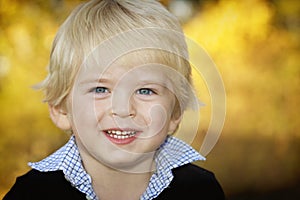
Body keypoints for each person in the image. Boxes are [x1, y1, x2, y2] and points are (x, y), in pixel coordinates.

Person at [3, 0, 225, 199]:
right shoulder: (32, 194)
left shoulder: (200, 191)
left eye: (145, 91)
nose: (122, 109)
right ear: (61, 109)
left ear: (175, 114)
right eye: (101, 89)